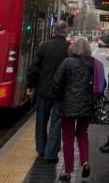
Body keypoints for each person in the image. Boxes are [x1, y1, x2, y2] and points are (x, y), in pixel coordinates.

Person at [50, 37, 104, 181]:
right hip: (87, 105)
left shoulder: (67, 62)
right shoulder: (94, 64)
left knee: (67, 137)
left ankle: (67, 171)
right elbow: (102, 84)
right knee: (82, 134)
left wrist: (59, 97)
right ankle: (85, 161)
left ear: (73, 48)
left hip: (68, 106)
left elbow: (56, 82)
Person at [27, 23, 69, 162]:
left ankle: (41, 148)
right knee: (56, 123)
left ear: (54, 31)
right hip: (60, 92)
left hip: (42, 90)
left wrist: (30, 86)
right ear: (65, 32)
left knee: (41, 121)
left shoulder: (44, 46)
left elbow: (35, 68)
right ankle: (51, 154)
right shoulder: (68, 48)